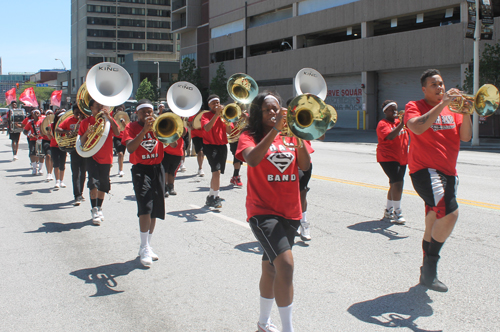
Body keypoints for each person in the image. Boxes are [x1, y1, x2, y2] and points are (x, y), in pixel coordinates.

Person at [236, 92, 311, 332]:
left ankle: (262, 323)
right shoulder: (248, 136)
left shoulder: (291, 136)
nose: (273, 113)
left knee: (270, 267)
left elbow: (305, 165)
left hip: (290, 211)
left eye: (276, 109)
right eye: (268, 109)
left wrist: (297, 137)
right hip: (262, 211)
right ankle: (288, 328)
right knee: (286, 266)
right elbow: (253, 159)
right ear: (258, 112)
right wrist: (274, 132)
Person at [404, 69, 472, 293]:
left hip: (449, 173)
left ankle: (426, 272)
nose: (439, 87)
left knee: (433, 221)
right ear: (424, 89)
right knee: (450, 213)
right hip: (425, 171)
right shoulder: (414, 105)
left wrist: (467, 112)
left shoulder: (455, 110)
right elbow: (416, 127)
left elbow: (465, 137)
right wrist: (442, 105)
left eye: (441, 83)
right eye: (433, 84)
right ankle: (431, 267)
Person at [122, 100, 165, 267]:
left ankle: (147, 244)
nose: (148, 115)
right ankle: (143, 246)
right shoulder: (131, 127)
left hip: (157, 168)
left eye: (150, 111)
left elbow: (173, 143)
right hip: (141, 170)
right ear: (137, 113)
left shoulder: (158, 125)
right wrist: (144, 131)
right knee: (145, 207)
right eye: (144, 112)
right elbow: (130, 148)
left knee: (155, 210)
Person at [78, 100, 120, 225]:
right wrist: (87, 133)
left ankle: (99, 207)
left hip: (106, 157)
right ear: (91, 108)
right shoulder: (85, 122)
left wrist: (110, 118)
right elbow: (82, 142)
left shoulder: (108, 121)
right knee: (93, 183)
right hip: (92, 156)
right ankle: (94, 209)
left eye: (102, 106)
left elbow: (117, 133)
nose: (101, 109)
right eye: (97, 106)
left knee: (104, 185)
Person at [376, 100, 409, 224]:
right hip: (387, 158)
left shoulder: (399, 122)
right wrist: (402, 124)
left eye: (396, 109)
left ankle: (388, 210)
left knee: (394, 184)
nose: (395, 112)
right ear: (385, 112)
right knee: (398, 183)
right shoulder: (382, 124)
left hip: (402, 157)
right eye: (392, 109)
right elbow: (390, 136)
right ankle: (397, 212)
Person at [200, 95, 232, 208]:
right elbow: (207, 128)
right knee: (216, 172)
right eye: (213, 103)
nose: (216, 105)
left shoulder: (224, 115)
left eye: (217, 102)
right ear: (209, 105)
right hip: (210, 146)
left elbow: (229, 131)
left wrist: (227, 120)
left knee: (216, 173)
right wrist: (217, 115)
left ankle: (210, 196)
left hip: (222, 146)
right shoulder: (205, 115)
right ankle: (216, 197)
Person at [57, 105, 87, 206]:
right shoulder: (68, 120)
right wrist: (66, 131)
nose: (78, 116)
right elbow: (57, 129)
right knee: (76, 172)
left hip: (85, 148)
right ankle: (77, 195)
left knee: (83, 172)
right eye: (76, 113)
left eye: (80, 113)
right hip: (74, 148)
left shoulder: (85, 121)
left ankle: (81, 193)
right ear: (73, 113)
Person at [161, 124, 186, 197]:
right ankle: (164, 188)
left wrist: (181, 123)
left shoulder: (180, 125)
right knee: (165, 170)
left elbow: (184, 133)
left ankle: (170, 187)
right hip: (166, 151)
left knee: (172, 171)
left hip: (177, 152)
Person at [48, 110, 67, 189]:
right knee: (56, 164)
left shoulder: (65, 125)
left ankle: (62, 181)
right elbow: (49, 137)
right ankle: (57, 181)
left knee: (62, 164)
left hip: (63, 145)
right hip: (54, 145)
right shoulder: (51, 125)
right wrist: (48, 133)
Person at [23, 109, 45, 175]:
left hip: (41, 139)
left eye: (38, 113)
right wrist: (29, 134)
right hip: (33, 140)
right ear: (32, 115)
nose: (36, 114)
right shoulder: (30, 122)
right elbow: (25, 131)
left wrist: (43, 134)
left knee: (41, 154)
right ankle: (34, 168)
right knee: (32, 153)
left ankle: (40, 169)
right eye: (35, 113)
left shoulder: (42, 122)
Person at [187, 109, 206, 177]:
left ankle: (200, 166)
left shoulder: (204, 115)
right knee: (200, 151)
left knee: (203, 152)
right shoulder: (192, 116)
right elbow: (191, 126)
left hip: (204, 135)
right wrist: (193, 125)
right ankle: (200, 168)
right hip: (195, 135)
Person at [112, 104, 127, 177]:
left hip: (123, 137)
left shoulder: (125, 117)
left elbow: (128, 128)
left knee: (122, 155)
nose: (120, 111)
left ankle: (120, 168)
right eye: (118, 109)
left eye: (121, 109)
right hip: (116, 137)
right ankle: (121, 170)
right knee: (120, 153)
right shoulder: (113, 116)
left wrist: (124, 123)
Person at [41, 110, 54, 181]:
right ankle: (48, 173)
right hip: (46, 140)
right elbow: (42, 134)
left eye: (51, 114)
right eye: (48, 114)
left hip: (54, 141)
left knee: (52, 157)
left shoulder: (56, 122)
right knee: (48, 156)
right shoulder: (43, 122)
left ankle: (51, 172)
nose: (49, 115)